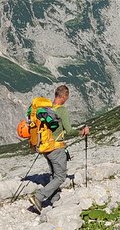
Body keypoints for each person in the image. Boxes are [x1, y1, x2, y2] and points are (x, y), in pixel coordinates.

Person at [28, 85, 89, 213]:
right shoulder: (62, 110)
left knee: (54, 174)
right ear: (64, 96)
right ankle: (38, 196)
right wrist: (81, 132)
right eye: (67, 97)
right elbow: (69, 130)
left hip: (46, 148)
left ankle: (55, 199)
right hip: (56, 148)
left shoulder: (46, 109)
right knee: (60, 177)